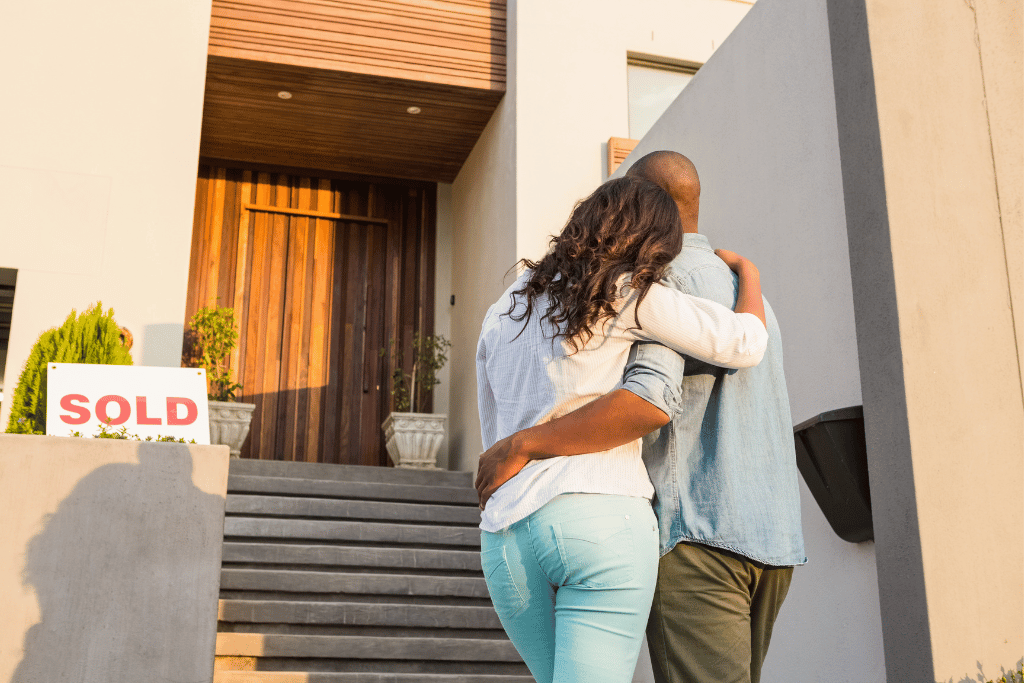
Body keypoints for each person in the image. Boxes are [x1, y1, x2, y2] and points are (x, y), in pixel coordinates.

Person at [476, 151, 806, 683]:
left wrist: (519, 449)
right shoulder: (646, 290)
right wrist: (750, 271)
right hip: (631, 520)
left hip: (510, 532)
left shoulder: (507, 303)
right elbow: (669, 389)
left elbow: (493, 419)